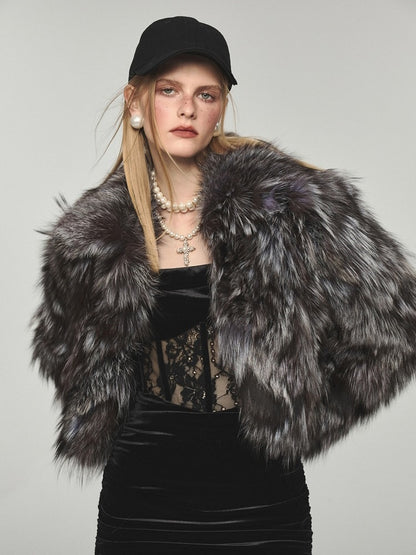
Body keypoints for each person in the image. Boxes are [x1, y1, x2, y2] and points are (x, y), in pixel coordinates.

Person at [31, 16, 416, 555]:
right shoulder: (90, 239)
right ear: (136, 102)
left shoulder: (282, 205)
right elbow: (70, 362)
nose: (187, 108)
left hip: (262, 500)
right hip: (142, 497)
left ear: (220, 107)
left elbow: (397, 323)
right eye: (169, 90)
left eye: (205, 94)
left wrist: (304, 414)